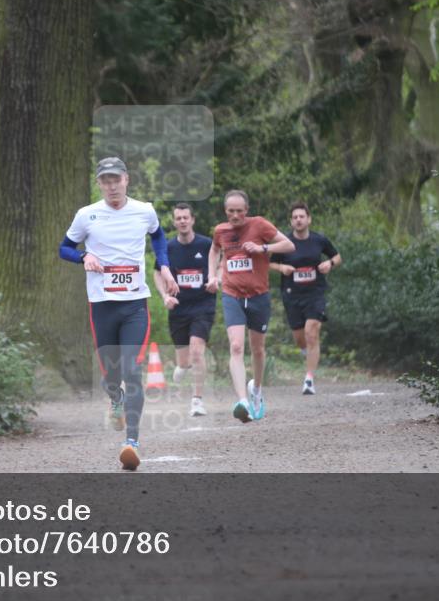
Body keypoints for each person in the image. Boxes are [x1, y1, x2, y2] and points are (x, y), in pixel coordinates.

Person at [59, 157, 178, 471]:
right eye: (105, 180)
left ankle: (132, 442)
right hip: (101, 306)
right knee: (112, 377)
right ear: (99, 183)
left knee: (132, 371)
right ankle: (115, 399)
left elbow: (159, 236)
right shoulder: (87, 215)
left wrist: (163, 265)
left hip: (134, 305)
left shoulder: (144, 210)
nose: (111, 185)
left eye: (116, 179)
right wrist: (83, 257)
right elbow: (63, 248)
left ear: (126, 179)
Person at [207, 190, 294, 423]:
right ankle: (242, 401)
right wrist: (212, 276)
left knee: (257, 349)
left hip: (258, 296)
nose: (235, 215)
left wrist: (263, 249)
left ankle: (256, 390)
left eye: (239, 211)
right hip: (232, 294)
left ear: (246, 210)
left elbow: (288, 245)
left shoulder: (260, 225)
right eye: (230, 211)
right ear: (225, 211)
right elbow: (215, 249)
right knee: (236, 346)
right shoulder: (221, 231)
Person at [152, 203, 216, 417]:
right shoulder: (169, 248)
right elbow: (157, 273)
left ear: (192, 220)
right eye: (178, 218)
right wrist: (165, 296)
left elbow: (222, 262)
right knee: (184, 363)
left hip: (203, 305)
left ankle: (197, 400)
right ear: (174, 221)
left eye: (185, 217)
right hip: (178, 308)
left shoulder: (207, 244)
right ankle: (182, 366)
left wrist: (217, 279)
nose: (182, 221)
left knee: (197, 350)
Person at [270, 202, 341, 395]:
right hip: (292, 294)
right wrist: (281, 268)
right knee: (300, 337)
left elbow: (337, 257)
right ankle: (306, 350)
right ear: (291, 221)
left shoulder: (319, 240)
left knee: (312, 332)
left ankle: (309, 379)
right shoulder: (284, 243)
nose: (298, 220)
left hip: (315, 293)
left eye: (302, 216)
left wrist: (329, 264)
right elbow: (272, 263)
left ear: (308, 219)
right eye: (295, 217)